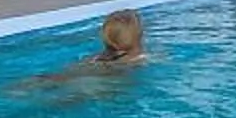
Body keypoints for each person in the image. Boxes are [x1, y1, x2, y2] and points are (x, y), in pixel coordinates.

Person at [10, 10, 151, 95]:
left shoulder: (97, 56)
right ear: (139, 36)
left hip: (83, 68)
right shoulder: (139, 59)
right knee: (71, 99)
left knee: (49, 79)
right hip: (100, 79)